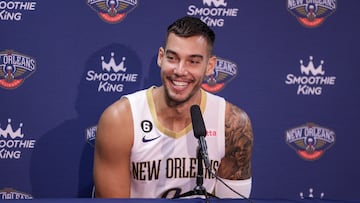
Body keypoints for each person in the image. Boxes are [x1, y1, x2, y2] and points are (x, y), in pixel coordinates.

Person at [93, 16, 254, 199]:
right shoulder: (121, 119)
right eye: (172, 58)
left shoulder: (232, 123)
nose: (180, 70)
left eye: (193, 61)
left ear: (210, 66)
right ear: (161, 57)